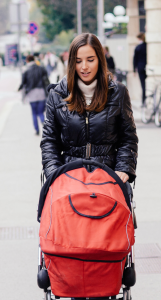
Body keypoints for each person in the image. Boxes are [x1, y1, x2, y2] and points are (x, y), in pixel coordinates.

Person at [41, 33, 138, 185]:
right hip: (68, 180)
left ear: (100, 59)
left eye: (90, 60)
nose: (84, 66)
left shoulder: (117, 92)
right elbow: (49, 141)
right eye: (78, 61)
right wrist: (54, 173)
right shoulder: (58, 94)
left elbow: (128, 137)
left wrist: (123, 169)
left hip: (108, 179)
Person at [19, 54, 50, 135]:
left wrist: (18, 89)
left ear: (27, 61)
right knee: (41, 112)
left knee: (34, 113)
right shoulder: (41, 68)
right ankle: (44, 123)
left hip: (31, 93)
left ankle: (36, 130)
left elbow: (23, 83)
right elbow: (46, 79)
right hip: (41, 92)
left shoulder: (26, 71)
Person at [133, 32, 147, 107]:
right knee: (147, 85)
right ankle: (146, 100)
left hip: (140, 67)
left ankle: (144, 101)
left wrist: (133, 70)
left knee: (143, 85)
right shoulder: (147, 46)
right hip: (147, 66)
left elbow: (135, 59)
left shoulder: (138, 47)